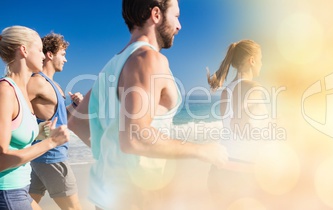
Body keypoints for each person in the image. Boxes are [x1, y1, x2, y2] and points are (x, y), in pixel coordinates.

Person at [68, 0, 228, 209]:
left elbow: (76, 122)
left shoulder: (113, 65)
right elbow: (135, 136)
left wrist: (112, 158)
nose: (179, 26)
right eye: (176, 16)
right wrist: (203, 150)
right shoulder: (148, 58)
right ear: (156, 14)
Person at [0, 25, 70, 210]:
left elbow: (16, 136)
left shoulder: (22, 92)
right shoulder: (6, 91)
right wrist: (51, 143)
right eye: (39, 50)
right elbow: (1, 159)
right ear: (23, 50)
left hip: (21, 189)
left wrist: (42, 132)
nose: (42, 55)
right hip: (8, 193)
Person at [206, 39, 267, 208]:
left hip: (220, 170)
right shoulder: (253, 87)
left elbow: (233, 127)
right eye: (260, 59)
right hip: (241, 174)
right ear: (252, 60)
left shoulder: (227, 90)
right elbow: (250, 129)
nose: (261, 64)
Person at [27, 33, 83, 210]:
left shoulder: (54, 85)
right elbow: (14, 113)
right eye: (63, 54)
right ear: (49, 55)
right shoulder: (37, 82)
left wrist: (74, 106)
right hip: (52, 157)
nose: (66, 60)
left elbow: (57, 119)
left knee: (26, 202)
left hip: (42, 157)